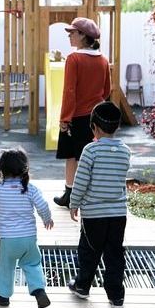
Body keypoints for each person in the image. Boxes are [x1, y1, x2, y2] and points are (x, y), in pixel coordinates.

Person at [0, 147, 54, 308]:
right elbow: (43, 205)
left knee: (6, 267)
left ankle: (3, 296)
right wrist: (47, 219)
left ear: (1, 169)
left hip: (8, 240)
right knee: (32, 263)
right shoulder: (30, 189)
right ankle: (38, 290)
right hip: (29, 239)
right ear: (25, 168)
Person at [68, 102, 131, 308]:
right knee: (114, 253)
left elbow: (81, 181)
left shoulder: (90, 151)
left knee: (89, 250)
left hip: (94, 214)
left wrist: (73, 203)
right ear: (118, 127)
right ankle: (116, 296)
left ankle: (83, 286)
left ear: (93, 126)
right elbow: (120, 181)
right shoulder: (125, 152)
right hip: (118, 215)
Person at [54, 17, 111, 207]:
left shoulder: (74, 58)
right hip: (95, 119)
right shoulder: (103, 60)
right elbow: (106, 91)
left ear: (82, 35)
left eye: (72, 32)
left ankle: (69, 194)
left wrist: (65, 118)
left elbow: (69, 91)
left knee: (72, 156)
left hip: (75, 117)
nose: (70, 36)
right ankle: (88, 195)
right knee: (91, 157)